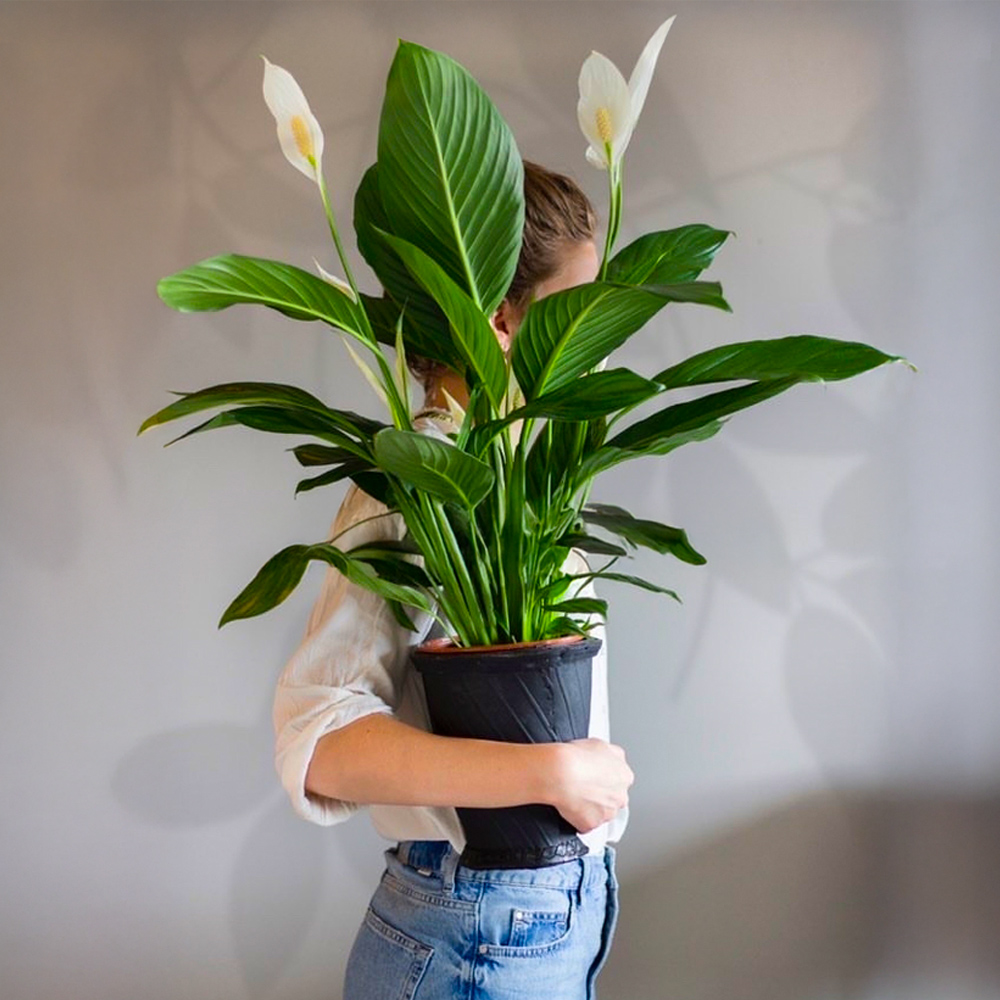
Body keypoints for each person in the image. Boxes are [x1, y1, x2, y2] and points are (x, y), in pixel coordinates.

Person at [272, 162, 634, 999]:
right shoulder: (419, 477)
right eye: (584, 308)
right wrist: (551, 775)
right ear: (504, 319)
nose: (606, 338)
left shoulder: (526, 469)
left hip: (540, 920)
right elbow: (319, 742)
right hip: (478, 932)